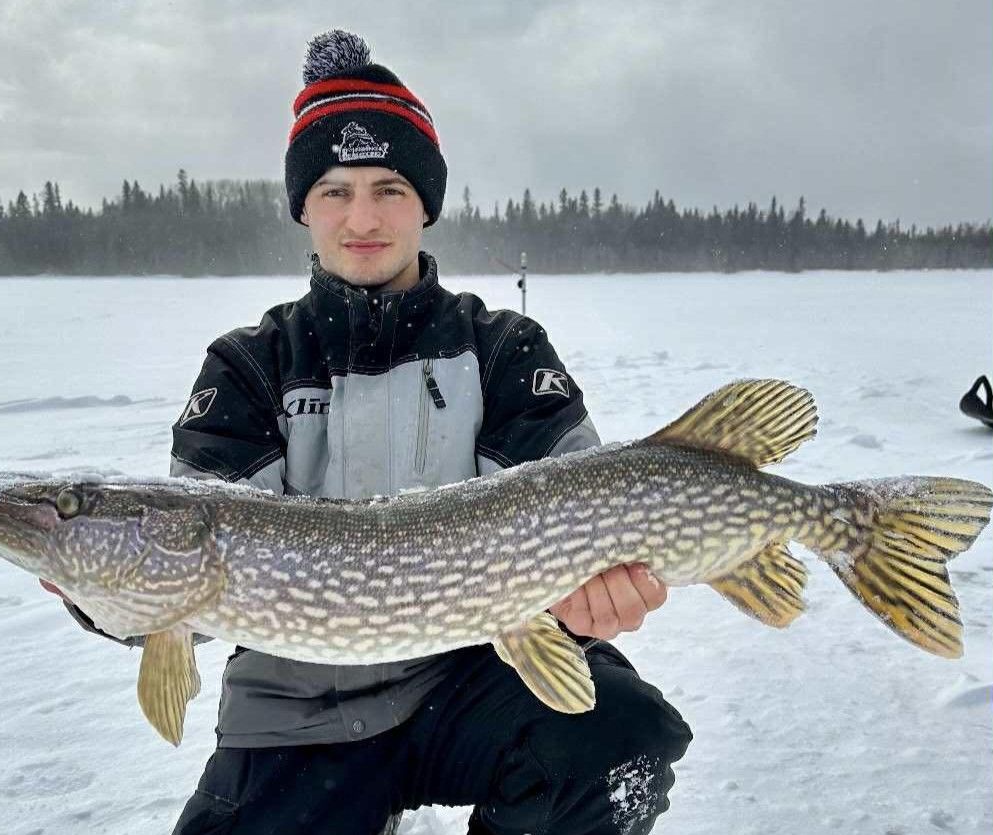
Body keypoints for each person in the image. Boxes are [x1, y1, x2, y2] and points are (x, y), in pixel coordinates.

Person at [47, 29, 691, 835]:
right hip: (295, 716)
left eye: (389, 187)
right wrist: (106, 596)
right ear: (302, 208)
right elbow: (187, 583)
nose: (362, 217)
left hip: (472, 677)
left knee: (618, 741)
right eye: (334, 190)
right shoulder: (248, 365)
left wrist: (589, 599)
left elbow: (582, 511)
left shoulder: (501, 350)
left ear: (425, 201)